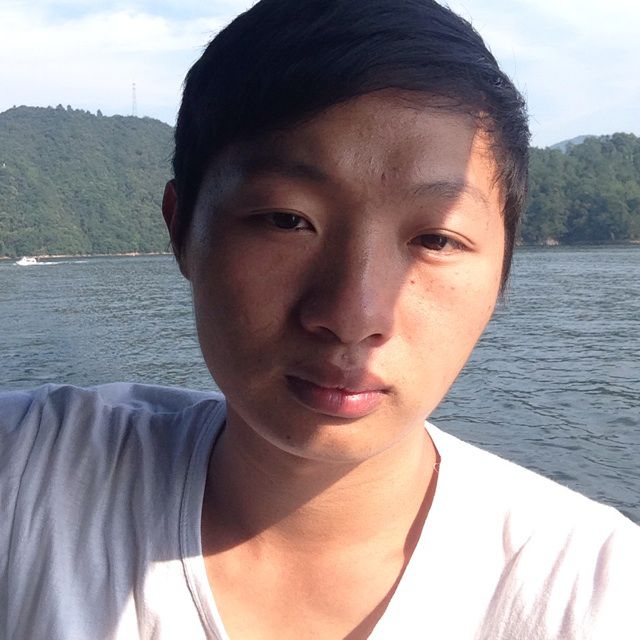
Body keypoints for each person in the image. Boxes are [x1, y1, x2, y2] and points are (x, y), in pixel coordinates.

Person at [1, 0, 639, 638]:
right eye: (287, 220)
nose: (354, 316)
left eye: (436, 240)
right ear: (182, 230)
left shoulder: (592, 592)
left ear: (502, 269)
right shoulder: (29, 471)